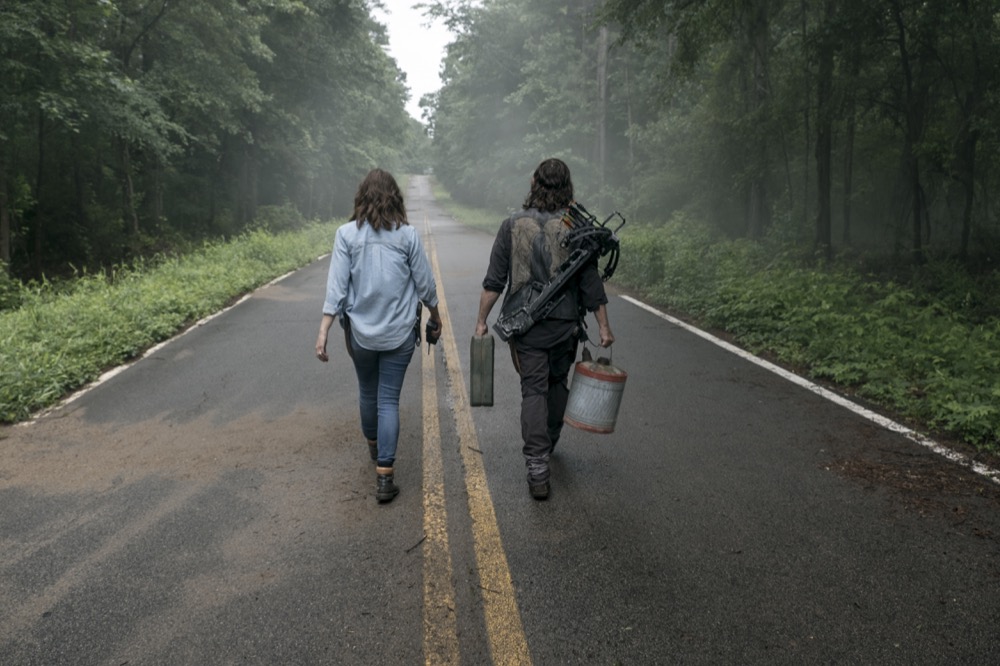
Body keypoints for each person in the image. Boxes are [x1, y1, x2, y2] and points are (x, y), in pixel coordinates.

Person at [474, 158, 614, 500]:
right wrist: (604, 326)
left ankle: (537, 467)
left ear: (534, 181)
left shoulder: (512, 224)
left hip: (527, 326)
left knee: (533, 390)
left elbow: (494, 281)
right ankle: (549, 440)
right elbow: (589, 281)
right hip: (565, 326)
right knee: (555, 384)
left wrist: (481, 321)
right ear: (568, 186)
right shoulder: (576, 226)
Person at [315, 168, 441, 504]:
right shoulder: (407, 236)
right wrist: (437, 317)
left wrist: (324, 329)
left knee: (367, 391)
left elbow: (337, 288)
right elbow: (426, 286)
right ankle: (385, 477)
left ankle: (374, 447)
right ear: (395, 198)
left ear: (361, 198)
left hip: (361, 336)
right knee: (388, 400)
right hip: (399, 335)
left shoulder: (346, 235)